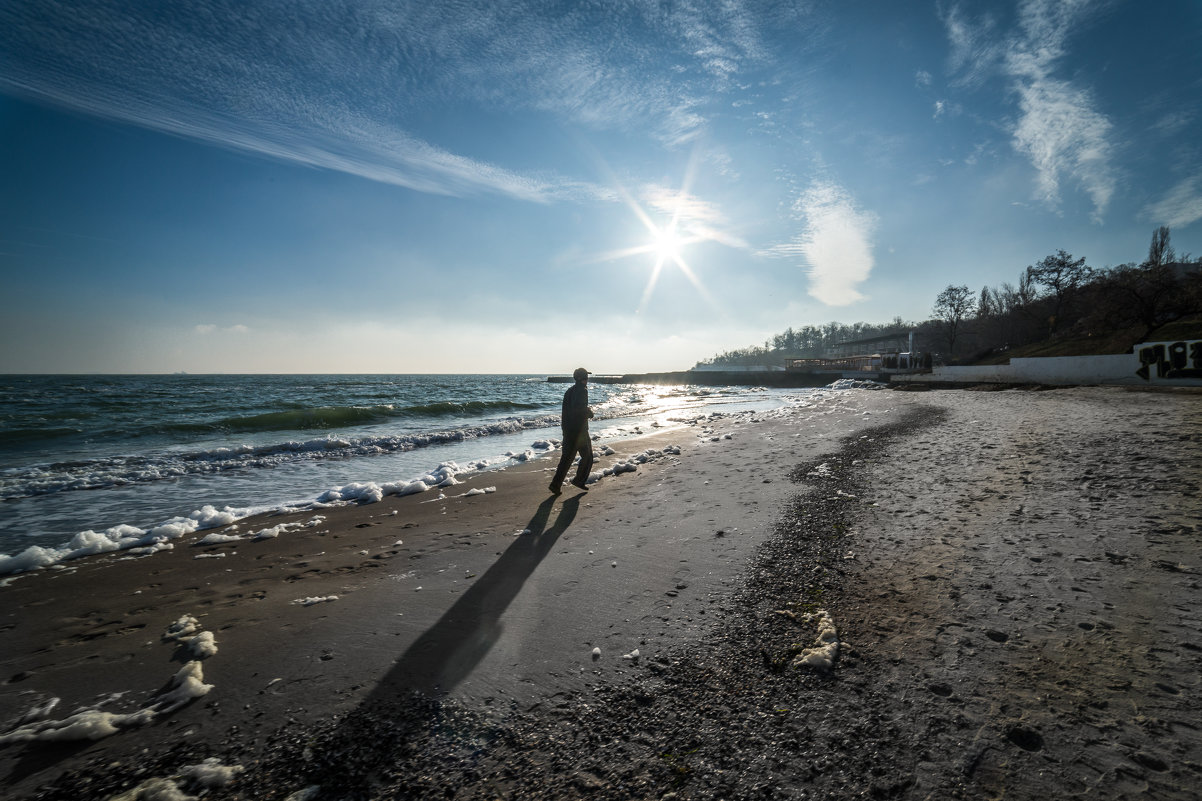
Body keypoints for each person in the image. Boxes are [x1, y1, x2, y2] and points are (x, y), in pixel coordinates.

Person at [549, 367, 594, 494]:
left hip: (568, 430)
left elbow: (570, 410)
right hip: (579, 431)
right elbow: (578, 410)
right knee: (588, 456)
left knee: (566, 459)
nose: (587, 379)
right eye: (585, 377)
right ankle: (579, 480)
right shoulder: (582, 391)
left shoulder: (569, 391)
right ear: (581, 379)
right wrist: (589, 412)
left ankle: (555, 485)